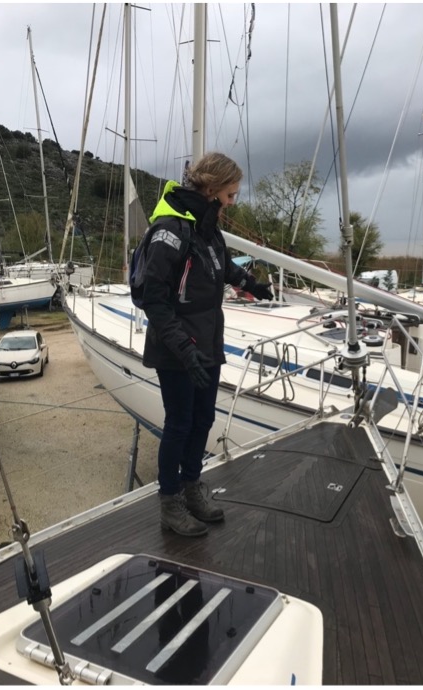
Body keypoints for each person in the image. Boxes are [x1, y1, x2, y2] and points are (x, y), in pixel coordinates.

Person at [141, 152, 273, 537]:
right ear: (212, 190)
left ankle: (191, 486)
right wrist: (183, 349)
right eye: (230, 194)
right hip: (176, 345)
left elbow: (220, 265)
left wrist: (249, 284)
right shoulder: (170, 229)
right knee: (179, 424)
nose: (233, 201)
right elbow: (154, 298)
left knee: (203, 420)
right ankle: (170, 502)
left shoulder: (207, 226)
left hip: (208, 338)